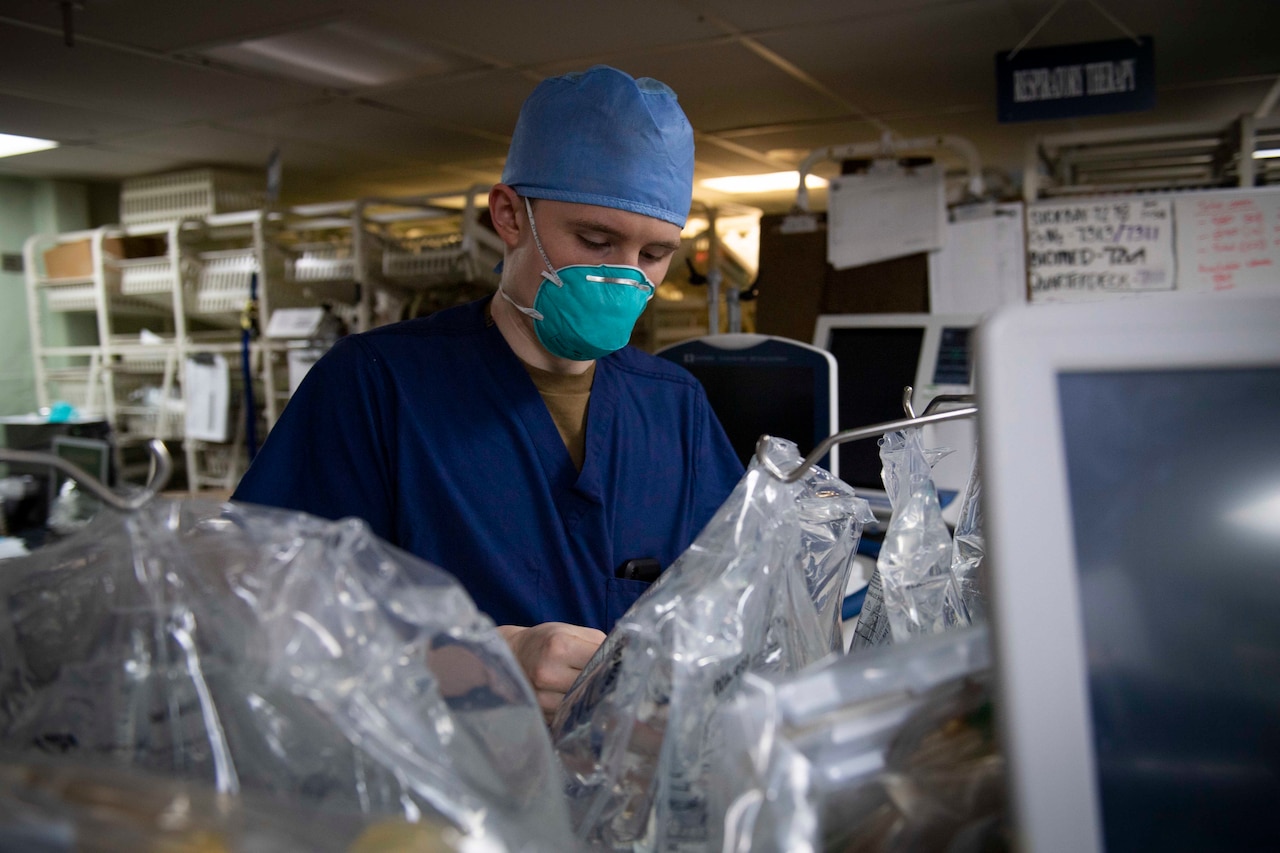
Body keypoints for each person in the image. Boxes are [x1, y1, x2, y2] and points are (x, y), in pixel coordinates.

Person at [232, 65, 744, 719]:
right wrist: (470, 655)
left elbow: (735, 595)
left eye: (654, 255)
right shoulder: (376, 385)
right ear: (508, 215)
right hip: (442, 785)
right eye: (595, 240)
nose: (624, 276)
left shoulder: (675, 406)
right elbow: (255, 605)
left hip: (623, 788)